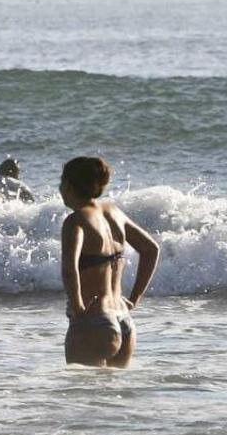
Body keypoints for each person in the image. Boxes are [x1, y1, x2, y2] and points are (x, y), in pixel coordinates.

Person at [59, 156, 160, 368]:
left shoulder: (76, 221)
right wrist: (134, 298)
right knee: (113, 399)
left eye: (61, 182)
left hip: (94, 321)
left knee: (79, 396)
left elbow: (70, 268)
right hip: (123, 319)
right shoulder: (113, 212)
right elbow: (150, 250)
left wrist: (78, 309)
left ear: (68, 186)